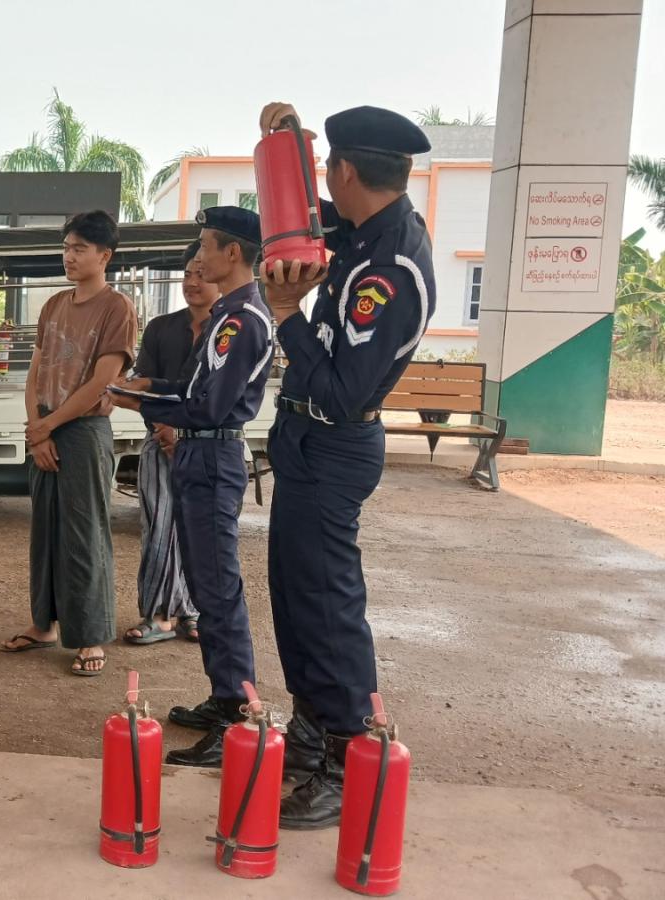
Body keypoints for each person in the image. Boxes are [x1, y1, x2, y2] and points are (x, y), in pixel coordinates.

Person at [256, 102, 436, 828]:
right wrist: (287, 140)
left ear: (349, 171)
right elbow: (303, 214)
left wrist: (286, 316)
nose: (325, 181)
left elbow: (343, 390)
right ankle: (310, 730)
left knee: (329, 606)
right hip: (305, 439)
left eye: (328, 166)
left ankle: (345, 756)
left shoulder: (393, 266)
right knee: (295, 597)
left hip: (335, 441)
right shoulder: (362, 231)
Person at [110, 207, 275, 767]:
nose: (198, 259)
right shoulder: (230, 313)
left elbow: (207, 405)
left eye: (205, 246)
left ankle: (236, 715)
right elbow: (194, 387)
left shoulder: (240, 320)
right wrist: (151, 386)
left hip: (211, 452)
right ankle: (223, 696)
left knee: (219, 590)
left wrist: (138, 400)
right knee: (207, 586)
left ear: (233, 253)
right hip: (201, 453)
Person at [1, 210, 137, 677]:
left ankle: (91, 635)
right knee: (45, 532)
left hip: (84, 431)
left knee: (84, 533)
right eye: (66, 248)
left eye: (80, 248)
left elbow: (103, 382)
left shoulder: (116, 308)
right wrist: (36, 426)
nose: (70, 256)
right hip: (46, 425)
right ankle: (44, 625)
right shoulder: (54, 304)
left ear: (105, 255)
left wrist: (48, 426)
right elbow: (35, 372)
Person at [122, 240, 217, 646]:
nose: (192, 282)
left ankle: (192, 611)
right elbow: (143, 385)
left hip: (210, 446)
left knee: (200, 533)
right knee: (159, 527)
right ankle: (160, 615)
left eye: (201, 274)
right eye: (188, 274)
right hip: (160, 443)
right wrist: (165, 427)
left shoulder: (230, 330)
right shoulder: (161, 328)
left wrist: (184, 431)